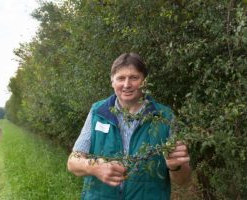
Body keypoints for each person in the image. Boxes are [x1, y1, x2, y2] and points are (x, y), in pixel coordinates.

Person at [67, 52, 191, 199]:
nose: (127, 84)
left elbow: (184, 181)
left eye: (134, 77)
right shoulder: (97, 112)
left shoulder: (165, 117)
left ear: (144, 81)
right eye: (120, 78)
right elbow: (73, 162)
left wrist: (175, 166)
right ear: (112, 81)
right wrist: (95, 167)